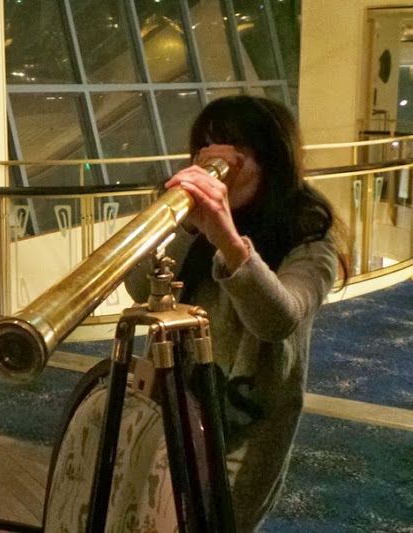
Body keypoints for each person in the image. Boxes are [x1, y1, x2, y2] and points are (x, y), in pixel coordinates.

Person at [124, 95, 343, 531]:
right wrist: (188, 225)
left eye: (236, 148)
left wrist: (225, 237)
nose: (218, 160)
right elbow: (138, 286)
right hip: (170, 407)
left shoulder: (309, 239)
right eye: (207, 144)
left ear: (272, 160)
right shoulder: (185, 220)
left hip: (248, 426)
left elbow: (278, 320)